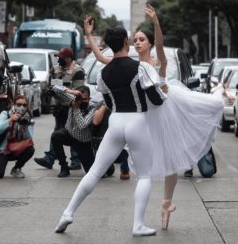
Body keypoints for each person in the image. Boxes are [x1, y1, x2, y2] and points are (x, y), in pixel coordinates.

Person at [84, 5, 223, 230]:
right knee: (150, 164)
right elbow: (101, 57)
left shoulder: (156, 62)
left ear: (148, 43)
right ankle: (154, 210)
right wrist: (89, 34)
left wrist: (156, 23)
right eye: (135, 39)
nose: (138, 42)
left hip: (164, 110)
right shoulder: (130, 64)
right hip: (142, 116)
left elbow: (159, 44)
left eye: (141, 39)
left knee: (171, 159)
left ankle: (166, 203)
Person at [55, 25, 166, 236]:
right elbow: (156, 100)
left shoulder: (103, 73)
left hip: (115, 122)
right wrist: (164, 92)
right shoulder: (141, 68)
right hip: (137, 121)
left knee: (95, 171)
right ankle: (138, 225)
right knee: (144, 176)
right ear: (126, 41)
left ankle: (67, 213)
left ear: (107, 43)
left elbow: (107, 101)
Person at [34, 48, 84, 171]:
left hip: (71, 107)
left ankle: (75, 160)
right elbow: (51, 85)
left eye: (61, 57)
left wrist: (61, 90)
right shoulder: (56, 69)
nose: (58, 60)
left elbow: (78, 92)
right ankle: (50, 158)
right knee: (57, 133)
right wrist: (52, 91)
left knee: (73, 133)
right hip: (59, 107)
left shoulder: (77, 71)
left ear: (68, 59)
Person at [49, 85, 96, 178]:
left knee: (92, 172)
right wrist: (71, 92)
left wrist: (76, 108)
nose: (82, 101)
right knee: (55, 136)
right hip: (69, 134)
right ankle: (64, 168)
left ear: (89, 98)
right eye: (80, 98)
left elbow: (82, 125)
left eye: (85, 99)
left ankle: (109, 168)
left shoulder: (92, 108)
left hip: (83, 142)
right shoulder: (74, 98)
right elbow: (54, 88)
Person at [0, 95, 35, 179]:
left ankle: (17, 168)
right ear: (13, 104)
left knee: (30, 149)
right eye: (19, 104)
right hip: (1, 151)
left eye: (24, 105)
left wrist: (24, 128)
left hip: (15, 149)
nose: (21, 107)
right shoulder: (5, 114)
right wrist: (10, 120)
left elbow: (29, 140)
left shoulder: (28, 118)